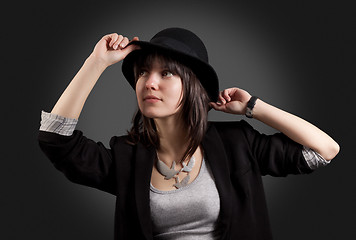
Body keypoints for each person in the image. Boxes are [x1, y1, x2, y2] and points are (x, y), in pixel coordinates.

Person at [38, 28, 339, 240]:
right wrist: (97, 62)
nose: (149, 82)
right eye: (143, 72)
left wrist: (253, 108)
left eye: (166, 73)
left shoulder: (237, 143)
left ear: (192, 85)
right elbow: (55, 139)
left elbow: (324, 150)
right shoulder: (126, 157)